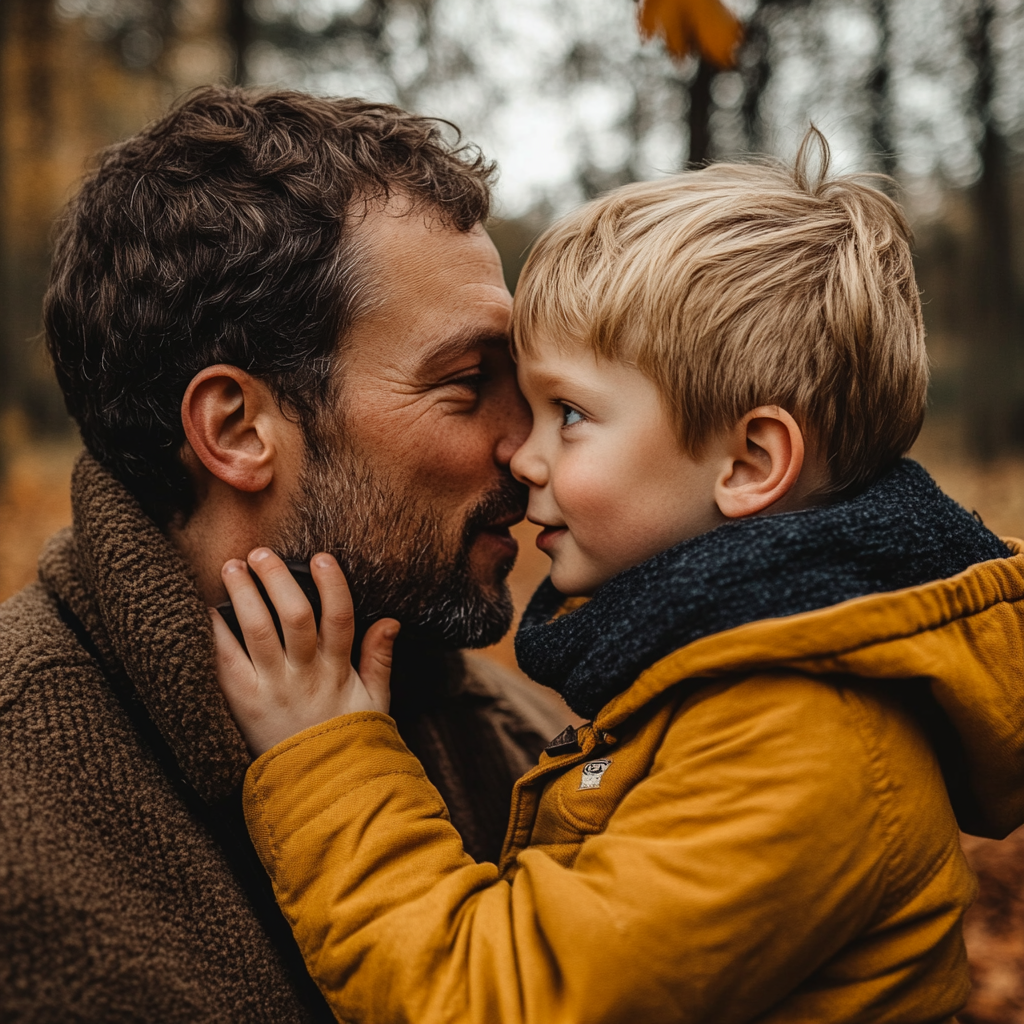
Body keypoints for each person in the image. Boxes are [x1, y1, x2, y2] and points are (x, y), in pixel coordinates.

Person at [216, 131, 1024, 1024]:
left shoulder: (800, 736)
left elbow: (496, 1001)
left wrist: (327, 759)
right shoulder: (741, 678)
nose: (522, 454)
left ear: (752, 461)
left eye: (570, 414)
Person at [0, 87, 570, 1023]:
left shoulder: (525, 738)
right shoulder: (31, 827)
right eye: (471, 382)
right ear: (238, 428)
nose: (529, 445)